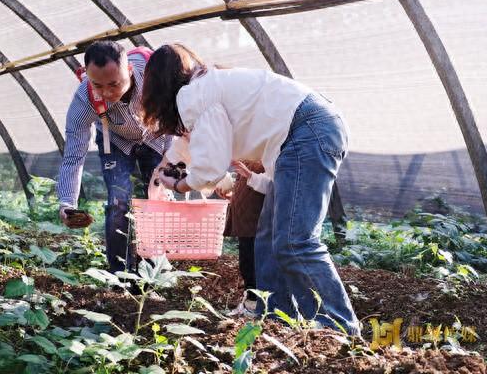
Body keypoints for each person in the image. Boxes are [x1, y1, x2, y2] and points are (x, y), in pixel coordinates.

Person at [141, 44, 360, 336]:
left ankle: (338, 328)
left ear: (158, 86)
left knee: (296, 241)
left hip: (307, 131)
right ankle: (277, 319)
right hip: (307, 129)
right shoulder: (208, 86)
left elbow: (211, 165)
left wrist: (180, 184)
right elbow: (192, 144)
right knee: (268, 238)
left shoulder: (195, 95)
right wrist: (166, 169)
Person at [56, 41, 169, 274]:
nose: (107, 93)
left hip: (156, 135)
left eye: (114, 84)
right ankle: (121, 274)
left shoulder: (154, 76)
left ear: (128, 71)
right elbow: (73, 156)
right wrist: (67, 203)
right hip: (115, 140)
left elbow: (180, 119)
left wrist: (173, 160)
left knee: (156, 199)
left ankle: (154, 270)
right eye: (98, 85)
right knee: (118, 200)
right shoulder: (84, 99)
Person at [219, 160, 266, 315]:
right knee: (246, 260)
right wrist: (234, 192)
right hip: (245, 214)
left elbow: (268, 184)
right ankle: (251, 302)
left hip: (256, 217)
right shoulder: (248, 153)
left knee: (253, 261)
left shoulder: (264, 152)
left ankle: (255, 304)